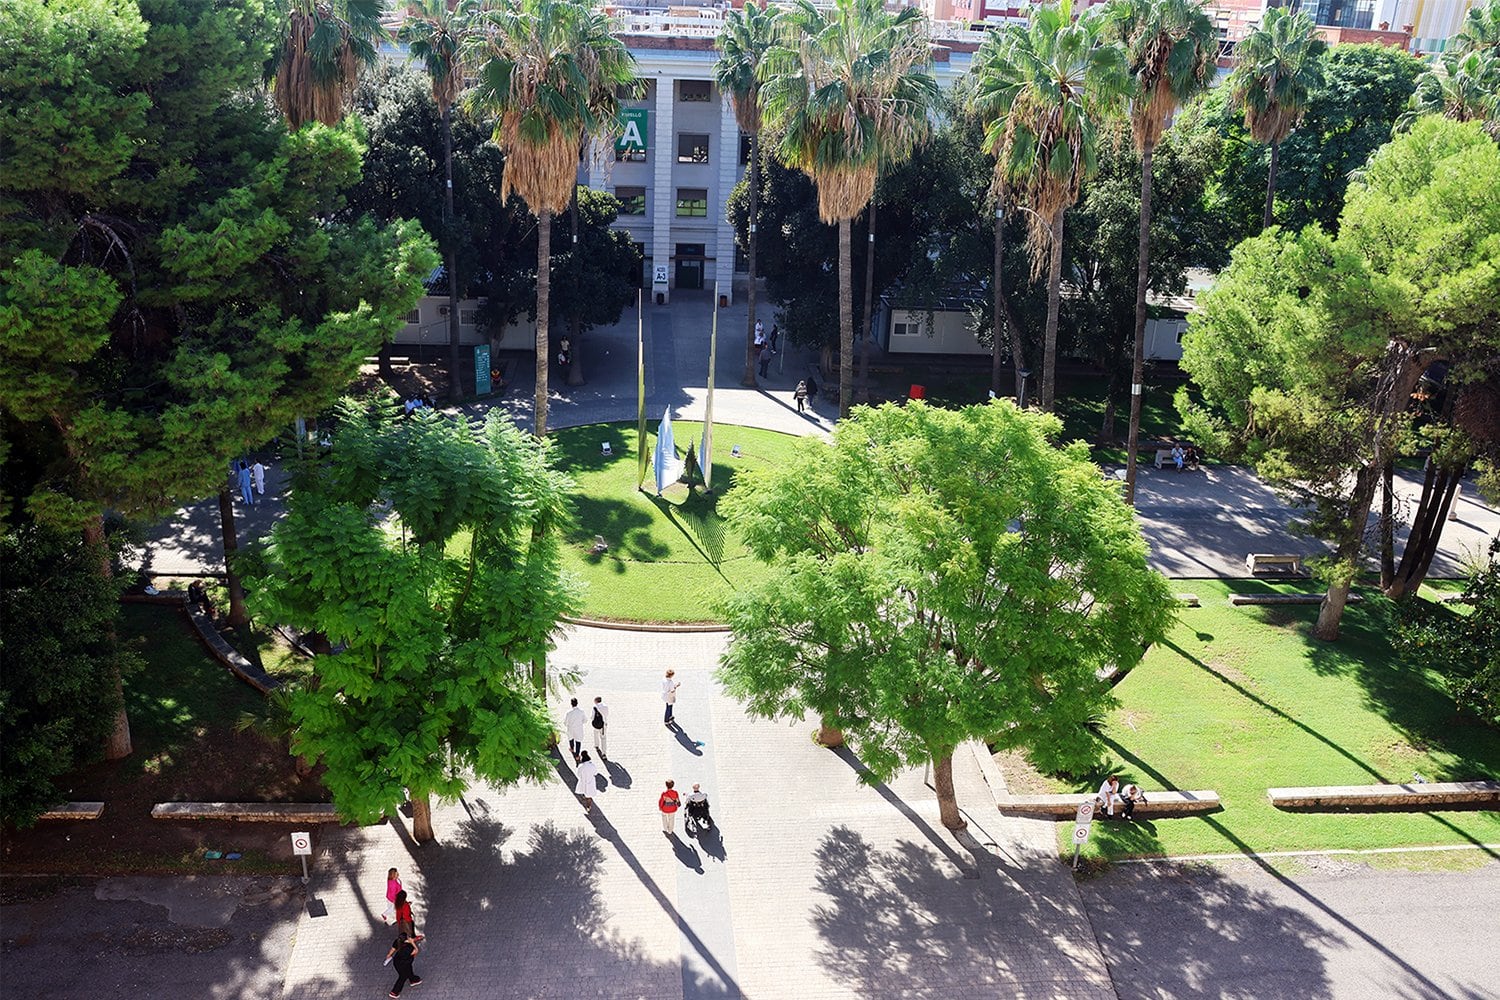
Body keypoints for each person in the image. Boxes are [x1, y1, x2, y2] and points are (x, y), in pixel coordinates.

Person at [385, 932, 422, 997]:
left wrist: (389, 955)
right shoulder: (408, 948)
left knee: (409, 969)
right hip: (404, 964)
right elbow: (416, 951)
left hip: (397, 962)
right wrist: (413, 943)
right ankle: (394, 992)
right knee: (403, 976)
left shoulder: (397, 941)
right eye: (408, 937)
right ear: (406, 939)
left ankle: (413, 980)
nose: (409, 937)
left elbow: (392, 949)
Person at [563, 697, 588, 764]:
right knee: (578, 742)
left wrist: (568, 724)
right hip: (578, 729)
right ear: (577, 703)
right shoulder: (581, 711)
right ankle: (577, 755)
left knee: (571, 739)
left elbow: (565, 722)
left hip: (571, 728)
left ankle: (572, 748)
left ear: (571, 704)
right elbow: (585, 720)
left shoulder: (569, 712)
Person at [591, 696, 609, 760]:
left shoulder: (595, 707)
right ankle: (604, 753)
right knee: (603, 738)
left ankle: (596, 745)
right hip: (603, 725)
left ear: (596, 701)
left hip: (596, 724)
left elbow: (592, 717)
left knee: (596, 734)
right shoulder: (605, 707)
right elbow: (607, 715)